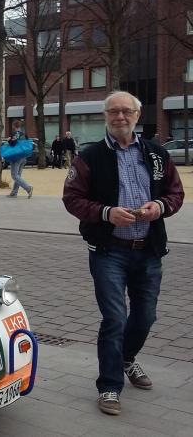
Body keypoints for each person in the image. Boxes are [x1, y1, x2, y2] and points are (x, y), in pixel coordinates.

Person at [62, 91, 184, 416]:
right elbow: (72, 198)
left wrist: (159, 207)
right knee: (115, 318)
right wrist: (106, 213)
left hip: (149, 250)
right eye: (113, 111)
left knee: (146, 316)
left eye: (126, 111)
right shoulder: (90, 157)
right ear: (105, 116)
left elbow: (175, 192)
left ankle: (127, 358)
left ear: (137, 115)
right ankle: (109, 386)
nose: (120, 117)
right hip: (109, 251)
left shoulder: (156, 154)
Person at [6, 120, 34, 199]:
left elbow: (13, 144)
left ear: (14, 126)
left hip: (16, 157)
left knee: (14, 175)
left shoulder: (15, 134)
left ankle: (28, 188)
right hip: (23, 157)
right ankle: (14, 192)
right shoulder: (24, 134)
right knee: (18, 176)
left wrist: (9, 140)